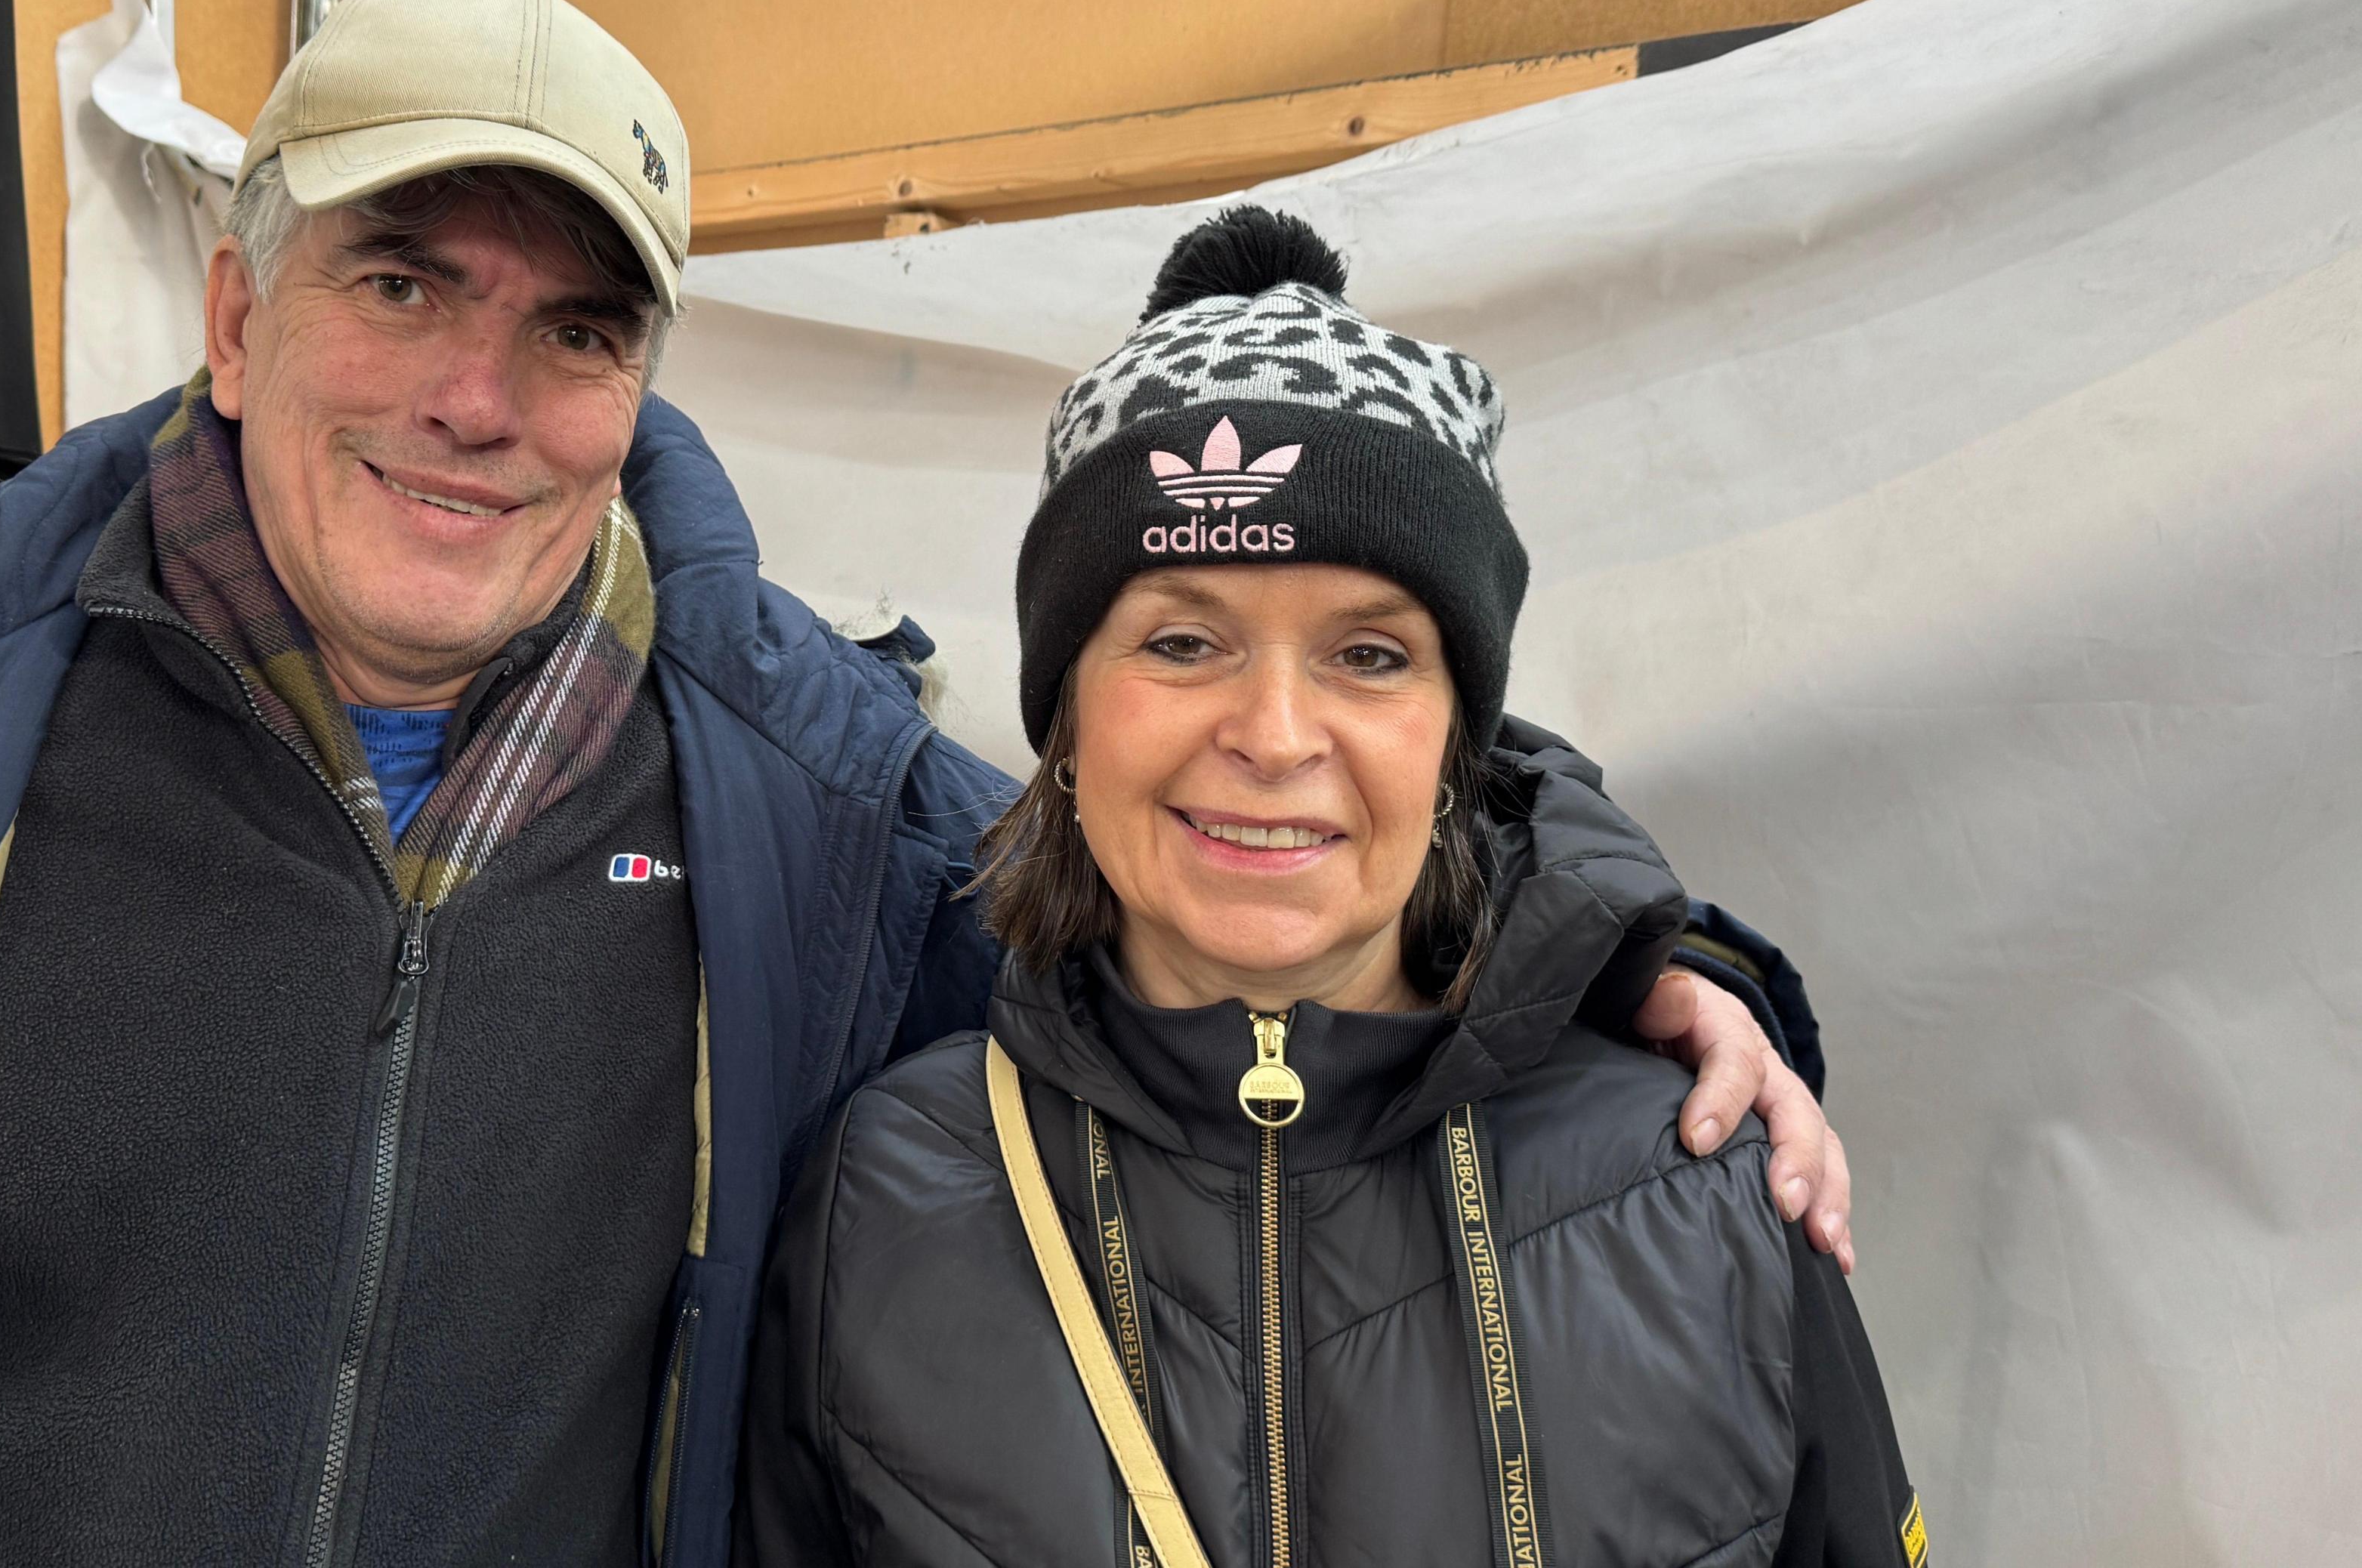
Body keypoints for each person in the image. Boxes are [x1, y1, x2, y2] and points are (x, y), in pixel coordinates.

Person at [0, 0, 1848, 1568]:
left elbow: (1246, 812)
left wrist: (1627, 946)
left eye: (573, 326)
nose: (483, 402)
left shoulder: (810, 812)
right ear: (232, 308)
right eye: (402, 283)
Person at [736, 210, 1916, 1568]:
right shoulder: (881, 1196)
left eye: (1369, 655)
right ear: (1069, 717)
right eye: (1182, 641)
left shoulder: (1704, 1181)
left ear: (1457, 735)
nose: (1276, 733)